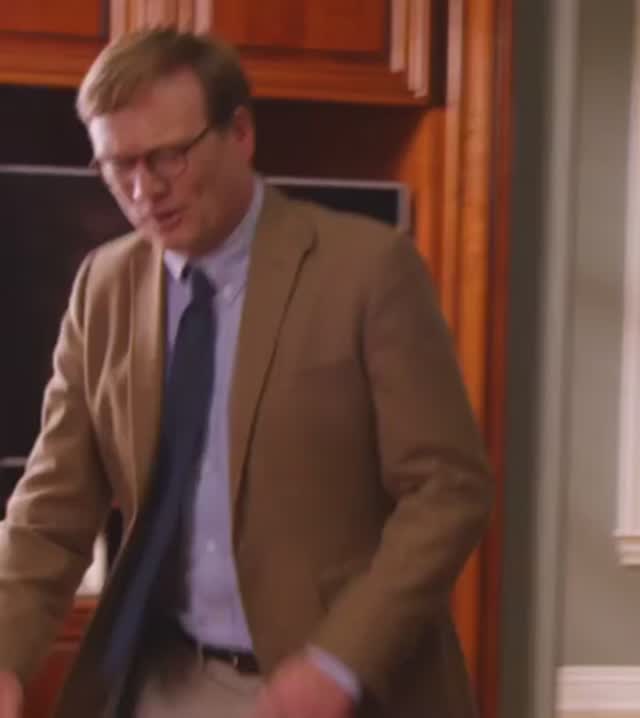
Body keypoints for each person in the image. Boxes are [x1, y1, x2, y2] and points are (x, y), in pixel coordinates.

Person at [0, 27, 492, 718]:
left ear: (240, 133)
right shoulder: (103, 286)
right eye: (118, 164)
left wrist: (339, 662)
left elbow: (448, 492)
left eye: (168, 155)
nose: (144, 189)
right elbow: (52, 509)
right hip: (160, 675)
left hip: (325, 682)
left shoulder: (369, 270)